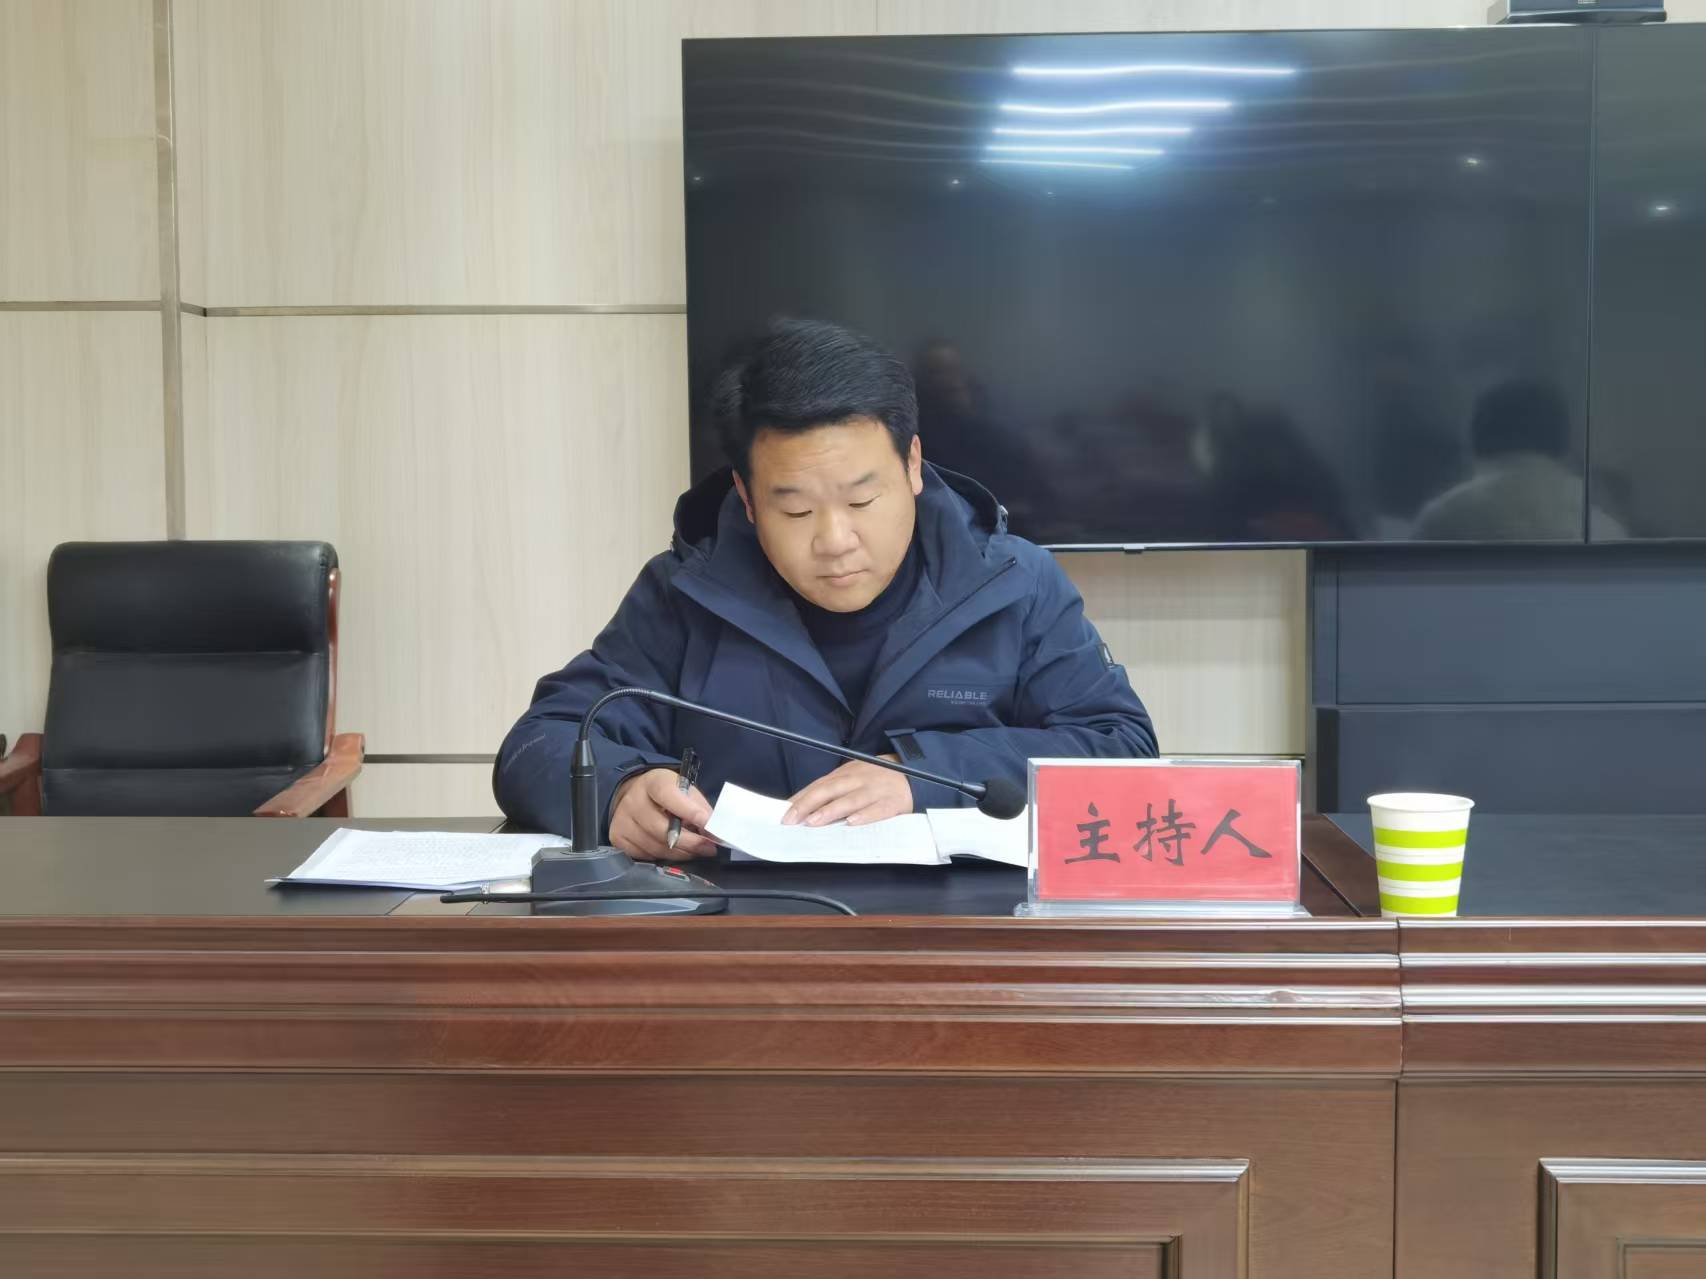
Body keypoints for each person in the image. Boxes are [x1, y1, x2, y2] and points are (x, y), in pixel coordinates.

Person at [494, 318, 1157, 859]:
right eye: (796, 510)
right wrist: (617, 792)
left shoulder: (1013, 583)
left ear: (913, 465)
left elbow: (1122, 749)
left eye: (862, 501)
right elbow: (539, 743)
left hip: (965, 942)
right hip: (743, 947)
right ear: (747, 499)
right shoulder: (685, 593)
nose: (835, 539)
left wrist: (926, 775)